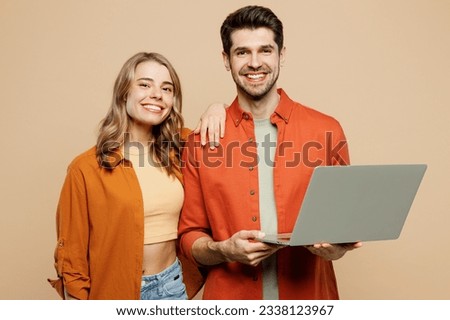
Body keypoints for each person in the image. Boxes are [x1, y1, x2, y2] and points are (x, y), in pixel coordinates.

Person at [178, 5, 362, 300]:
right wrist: (223, 250)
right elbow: (189, 236)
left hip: (310, 299)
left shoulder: (327, 130)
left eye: (265, 50)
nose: (254, 63)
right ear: (226, 60)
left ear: (282, 54)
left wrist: (336, 248)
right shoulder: (201, 141)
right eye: (242, 52)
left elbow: (341, 227)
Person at [48, 52, 226, 300]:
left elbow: (230, 135)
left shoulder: (182, 148)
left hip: (172, 287)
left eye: (167, 88)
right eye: (144, 84)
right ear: (124, 92)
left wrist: (216, 108)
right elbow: (71, 257)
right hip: (115, 293)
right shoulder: (85, 168)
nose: (157, 94)